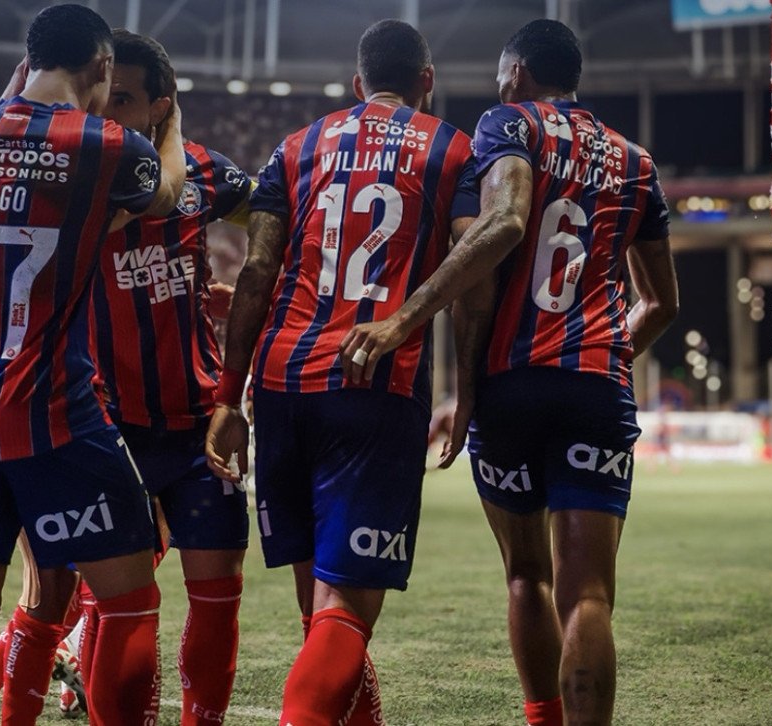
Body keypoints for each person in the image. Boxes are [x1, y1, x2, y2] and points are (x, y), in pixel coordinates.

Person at [338, 19, 679, 726]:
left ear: (518, 72)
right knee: (589, 596)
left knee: (527, 574)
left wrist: (462, 387)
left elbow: (487, 264)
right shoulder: (636, 161)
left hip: (511, 385)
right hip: (595, 383)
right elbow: (662, 302)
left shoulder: (508, 125)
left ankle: (542, 718)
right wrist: (610, 356)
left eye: (501, 74)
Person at [0, 5, 185, 725]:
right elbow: (163, 194)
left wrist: (8, 105)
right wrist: (173, 122)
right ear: (102, 69)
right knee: (130, 602)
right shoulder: (106, 145)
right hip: (51, 411)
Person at [205, 19, 480, 724]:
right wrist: (467, 390)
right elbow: (472, 277)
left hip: (280, 384)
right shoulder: (453, 149)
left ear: (356, 86)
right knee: (346, 614)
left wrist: (228, 401)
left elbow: (257, 271)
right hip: (374, 385)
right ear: (427, 82)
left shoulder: (295, 148)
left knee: (319, 615)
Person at [0, 29, 253, 724]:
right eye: (109, 94)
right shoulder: (80, 172)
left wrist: (245, 296)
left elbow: (279, 217)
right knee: (66, 599)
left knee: (215, 592)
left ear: (162, 105)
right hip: (99, 426)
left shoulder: (207, 175)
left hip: (197, 428)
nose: (109, 112)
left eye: (126, 100)